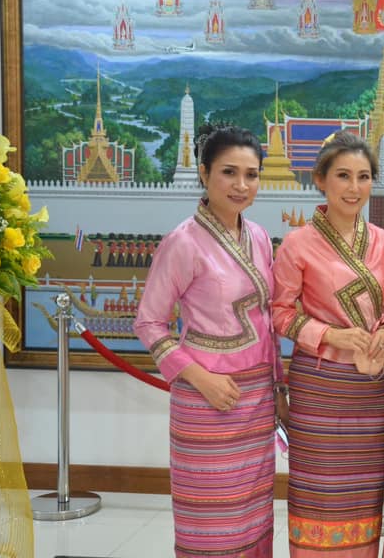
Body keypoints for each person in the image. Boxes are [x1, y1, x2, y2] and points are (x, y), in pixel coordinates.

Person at [133, 123, 285, 558]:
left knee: (254, 514)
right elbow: (149, 323)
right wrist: (201, 379)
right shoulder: (182, 242)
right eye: (229, 172)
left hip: (256, 399)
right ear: (204, 173)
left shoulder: (259, 237)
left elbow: (267, 319)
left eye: (251, 175)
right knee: (212, 520)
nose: (241, 185)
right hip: (206, 400)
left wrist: (278, 389)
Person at [271, 131, 384, 558]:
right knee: (318, 492)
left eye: (364, 177)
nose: (354, 187)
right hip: (319, 386)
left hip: (371, 386)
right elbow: (279, 313)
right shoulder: (297, 243)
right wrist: (330, 335)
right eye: (343, 175)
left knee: (364, 495)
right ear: (320, 179)